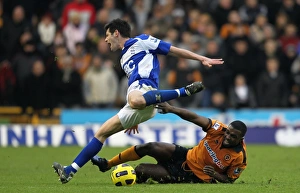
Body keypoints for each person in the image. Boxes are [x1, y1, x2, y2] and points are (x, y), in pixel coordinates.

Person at [52, 18, 224, 184]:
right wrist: (136, 116)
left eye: (107, 35)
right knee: (101, 133)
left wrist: (201, 58)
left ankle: (183, 91)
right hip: (139, 99)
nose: (105, 39)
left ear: (116, 33)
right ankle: (69, 171)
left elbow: (172, 49)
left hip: (144, 90)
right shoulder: (122, 57)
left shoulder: (142, 40)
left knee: (135, 99)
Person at [92, 102, 247, 184]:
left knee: (140, 170)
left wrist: (215, 174)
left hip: (192, 176)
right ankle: (108, 164)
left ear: (240, 139)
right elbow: (194, 117)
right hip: (186, 155)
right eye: (228, 132)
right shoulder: (219, 129)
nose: (227, 136)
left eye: (232, 136)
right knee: (149, 146)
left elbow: (230, 180)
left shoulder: (239, 157)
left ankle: (139, 181)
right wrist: (172, 109)